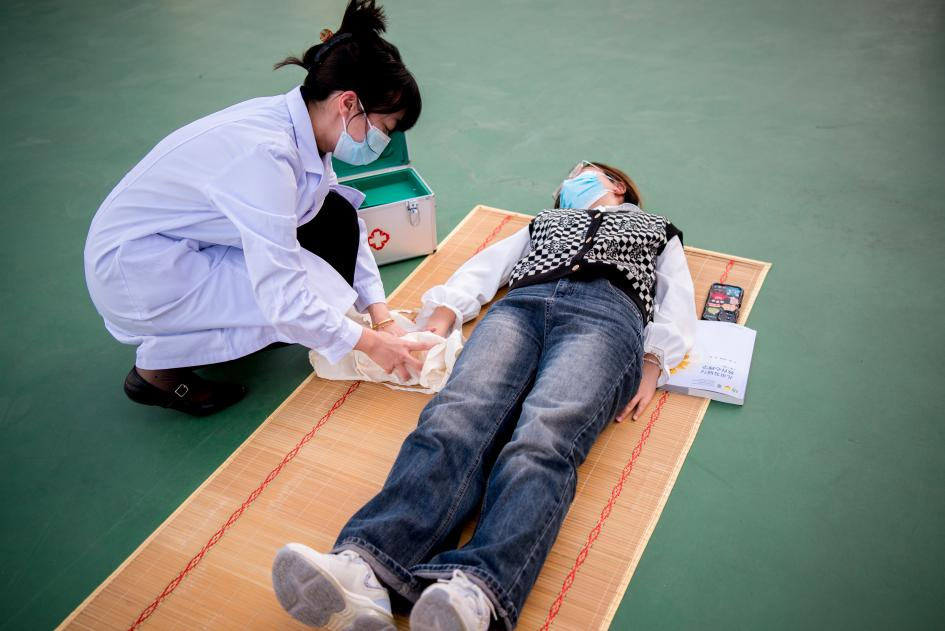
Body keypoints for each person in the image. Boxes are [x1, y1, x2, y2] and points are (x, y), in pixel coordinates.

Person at [270, 161, 698, 630]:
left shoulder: (657, 229)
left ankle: (479, 589)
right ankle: (369, 566)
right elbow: (489, 266)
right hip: (521, 307)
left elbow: (677, 294)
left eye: (583, 171)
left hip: (607, 317)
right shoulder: (546, 221)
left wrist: (654, 361)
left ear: (616, 184)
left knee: (544, 437)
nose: (569, 179)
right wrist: (444, 314)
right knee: (454, 418)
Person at [83, 0, 431, 416]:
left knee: (334, 220)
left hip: (172, 240)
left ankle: (209, 333)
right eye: (385, 128)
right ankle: (157, 371)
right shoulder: (266, 154)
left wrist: (381, 315)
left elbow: (344, 222)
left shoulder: (304, 128)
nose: (384, 142)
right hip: (139, 270)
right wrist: (372, 344)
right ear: (348, 103)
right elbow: (284, 298)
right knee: (300, 306)